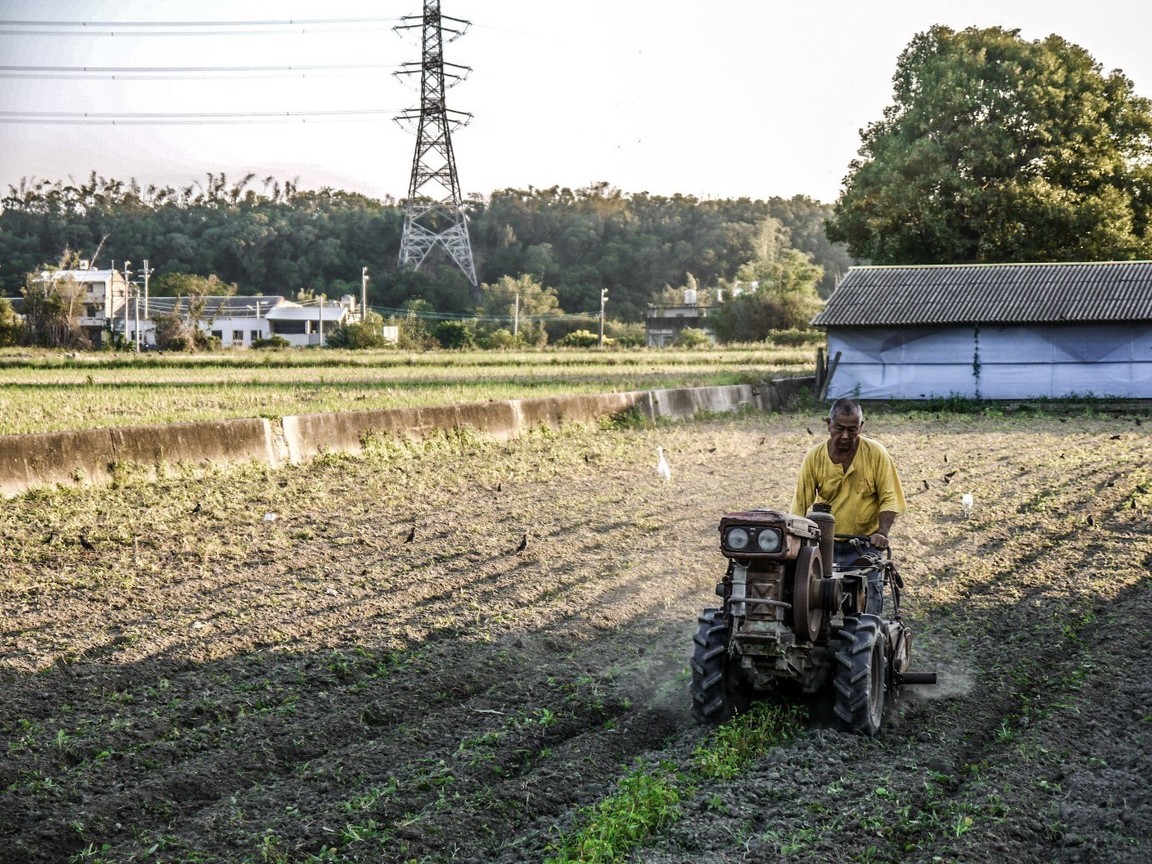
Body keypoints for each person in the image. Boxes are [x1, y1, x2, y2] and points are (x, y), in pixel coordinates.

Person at [791, 397, 906, 569]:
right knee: (814, 591)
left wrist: (882, 533)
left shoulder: (876, 454)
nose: (845, 436)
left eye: (852, 430)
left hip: (864, 544)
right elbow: (800, 503)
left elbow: (889, 498)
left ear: (861, 427)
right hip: (824, 542)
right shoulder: (814, 457)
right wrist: (795, 537)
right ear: (829, 424)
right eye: (839, 429)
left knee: (868, 591)